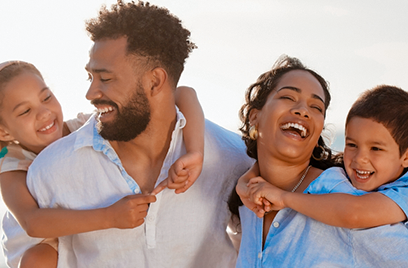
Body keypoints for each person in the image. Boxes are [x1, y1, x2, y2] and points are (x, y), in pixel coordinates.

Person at [25, 2, 253, 267]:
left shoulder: (232, 159)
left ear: (155, 81)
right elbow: (29, 254)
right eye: (90, 77)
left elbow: (259, 249)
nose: (91, 94)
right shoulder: (51, 170)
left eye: (106, 79)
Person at [0, 60, 206, 267]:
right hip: (46, 242)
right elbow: (33, 223)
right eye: (24, 111)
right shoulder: (12, 162)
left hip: (81, 234)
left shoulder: (83, 129)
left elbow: (183, 93)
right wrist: (110, 216)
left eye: (46, 97)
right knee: (37, 260)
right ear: (2, 132)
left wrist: (195, 152)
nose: (43, 113)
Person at [227, 56, 408, 267]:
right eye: (288, 97)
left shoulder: (341, 197)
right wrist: (246, 182)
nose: (303, 110)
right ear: (255, 116)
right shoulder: (248, 201)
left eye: (316, 107)